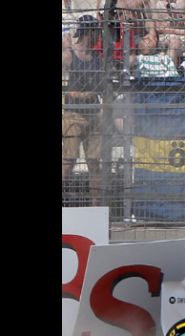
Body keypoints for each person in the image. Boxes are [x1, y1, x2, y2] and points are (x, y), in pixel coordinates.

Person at [62, 15, 106, 206]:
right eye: (95, 32)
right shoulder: (69, 55)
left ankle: (96, 204)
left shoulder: (97, 58)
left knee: (94, 162)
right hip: (74, 114)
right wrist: (79, 95)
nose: (98, 36)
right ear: (89, 32)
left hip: (94, 114)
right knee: (69, 159)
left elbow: (103, 88)